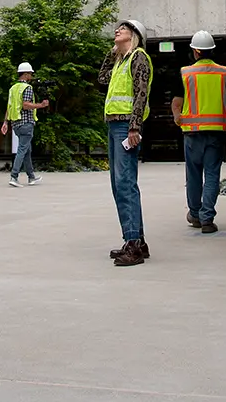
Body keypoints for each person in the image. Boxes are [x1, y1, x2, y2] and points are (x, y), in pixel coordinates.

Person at [100, 17, 153, 266]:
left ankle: (133, 245)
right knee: (118, 184)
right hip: (114, 126)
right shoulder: (121, 61)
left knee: (125, 184)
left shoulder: (139, 57)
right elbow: (101, 78)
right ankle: (138, 240)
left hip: (125, 127)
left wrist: (135, 126)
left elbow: (141, 93)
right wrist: (113, 53)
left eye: (124, 28)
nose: (118, 30)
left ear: (135, 35)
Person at [170, 30, 226, 234]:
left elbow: (177, 103)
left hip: (192, 133)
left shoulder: (185, 73)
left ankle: (195, 215)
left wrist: (177, 117)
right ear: (211, 51)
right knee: (212, 175)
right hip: (216, 132)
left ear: (195, 51)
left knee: (194, 175)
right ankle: (208, 219)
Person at [2, 62, 49, 187]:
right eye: (30, 74)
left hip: (16, 124)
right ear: (26, 74)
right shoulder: (27, 88)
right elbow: (25, 105)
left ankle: (31, 177)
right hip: (26, 123)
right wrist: (41, 105)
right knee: (22, 150)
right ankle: (14, 176)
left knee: (27, 150)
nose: (32, 76)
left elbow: (9, 106)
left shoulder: (13, 88)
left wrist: (5, 122)